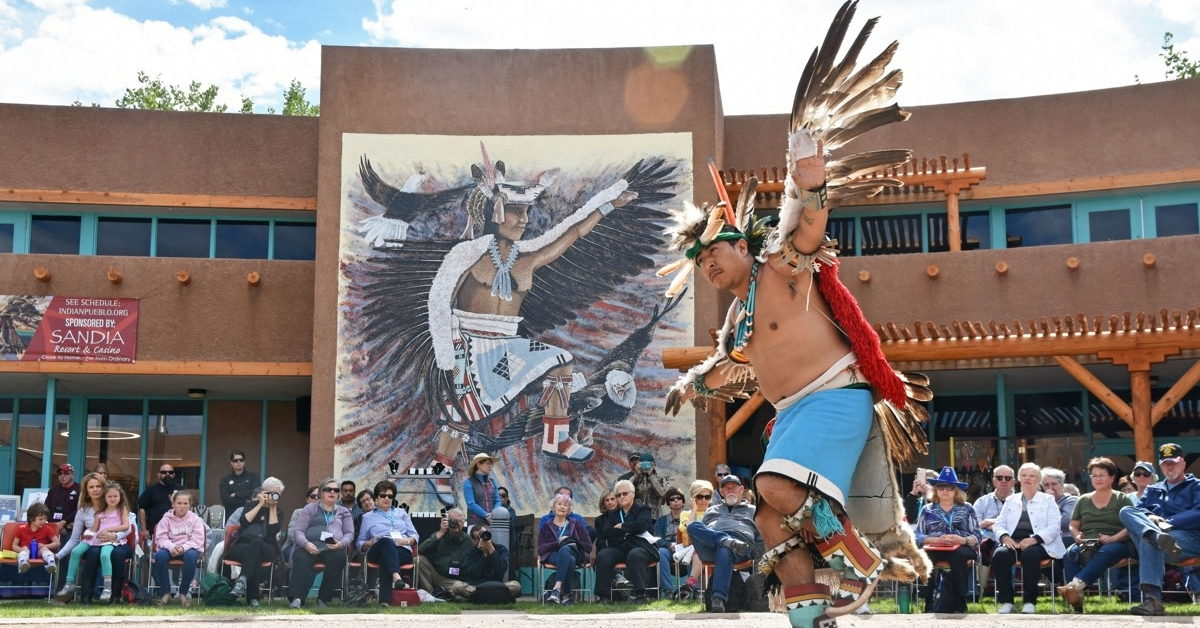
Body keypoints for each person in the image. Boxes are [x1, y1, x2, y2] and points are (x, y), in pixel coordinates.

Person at [1118, 443, 1200, 616]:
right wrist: (1150, 517)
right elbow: (1139, 510)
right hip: (1161, 540)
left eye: (1174, 462)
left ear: (1183, 464)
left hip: (1189, 539)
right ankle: (1154, 535)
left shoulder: (1196, 486)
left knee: (1149, 540)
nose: (1170, 466)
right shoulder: (1153, 489)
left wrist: (1168, 523)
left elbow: (1198, 513)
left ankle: (1152, 601)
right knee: (1127, 511)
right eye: (1165, 463)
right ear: (1161, 466)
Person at [1056, 457, 1137, 612]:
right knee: (1070, 554)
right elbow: (1073, 525)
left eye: (1102, 475)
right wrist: (1076, 536)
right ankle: (1076, 603)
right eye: (1094, 475)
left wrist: (1114, 538)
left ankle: (1075, 586)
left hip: (1118, 542)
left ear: (1112, 477)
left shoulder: (1122, 499)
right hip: (1087, 541)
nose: (1098, 478)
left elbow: (1131, 525)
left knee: (1106, 551)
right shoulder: (1083, 500)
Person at [991, 462, 1066, 614]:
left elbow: (1054, 526)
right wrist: (1005, 537)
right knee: (1000, 555)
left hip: (1040, 543)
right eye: (1024, 475)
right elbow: (999, 523)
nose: (1027, 479)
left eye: (1032, 476)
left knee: (1030, 555)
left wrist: (1033, 540)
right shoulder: (1011, 500)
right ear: (1019, 479)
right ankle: (1007, 601)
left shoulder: (1048, 500)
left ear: (1038, 480)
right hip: (1014, 542)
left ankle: (1029, 602)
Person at [686, 475, 762, 613]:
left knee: (725, 549)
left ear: (741, 490)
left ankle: (718, 599)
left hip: (741, 546)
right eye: (727, 488)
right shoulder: (711, 510)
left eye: (734, 487)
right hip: (712, 546)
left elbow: (761, 536)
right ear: (721, 492)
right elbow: (701, 533)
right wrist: (721, 539)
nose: (730, 490)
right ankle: (724, 540)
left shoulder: (753, 510)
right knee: (692, 526)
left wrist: (759, 559)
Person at [914, 467, 980, 614]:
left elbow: (977, 535)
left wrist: (961, 540)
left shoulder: (967, 508)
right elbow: (917, 535)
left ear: (956, 490)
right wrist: (935, 540)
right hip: (935, 547)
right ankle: (929, 602)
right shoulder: (927, 509)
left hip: (961, 547)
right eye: (941, 487)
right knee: (925, 557)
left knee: (958, 556)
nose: (945, 490)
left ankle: (960, 601)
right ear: (936, 490)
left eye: (949, 487)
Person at [289, 477, 353, 609]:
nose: (332, 492)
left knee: (339, 557)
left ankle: (323, 598)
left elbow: (349, 534)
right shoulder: (310, 508)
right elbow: (299, 531)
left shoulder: (343, 511)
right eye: (328, 489)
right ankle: (298, 599)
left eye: (335, 490)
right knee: (300, 557)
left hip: (332, 548)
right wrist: (306, 544)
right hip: (309, 547)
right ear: (322, 493)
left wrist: (340, 544)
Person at [356, 480, 418, 607]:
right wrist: (369, 542)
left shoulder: (402, 513)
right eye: (383, 495)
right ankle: (397, 577)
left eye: (390, 496)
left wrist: (406, 541)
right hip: (377, 549)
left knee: (387, 557)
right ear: (377, 497)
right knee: (385, 542)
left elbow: (415, 535)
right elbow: (360, 542)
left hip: (402, 549)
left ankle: (385, 601)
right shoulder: (367, 517)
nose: (386, 498)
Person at [594, 479, 657, 603]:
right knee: (603, 556)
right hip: (621, 548)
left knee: (635, 555)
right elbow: (608, 533)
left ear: (633, 494)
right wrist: (630, 531)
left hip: (641, 547)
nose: (621, 497)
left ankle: (640, 595)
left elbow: (642, 526)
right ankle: (604, 596)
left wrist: (622, 527)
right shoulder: (613, 514)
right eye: (618, 495)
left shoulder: (643, 510)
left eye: (625, 493)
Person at [226, 477, 284, 607]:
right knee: (254, 555)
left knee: (256, 544)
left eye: (277, 495)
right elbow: (244, 522)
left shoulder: (278, 512)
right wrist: (259, 504)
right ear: (263, 492)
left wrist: (273, 508)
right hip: (242, 545)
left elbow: (272, 531)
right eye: (271, 493)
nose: (274, 497)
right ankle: (253, 599)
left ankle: (242, 580)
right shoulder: (250, 505)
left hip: (266, 546)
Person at [54, 472, 106, 601]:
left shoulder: (112, 505)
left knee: (94, 553)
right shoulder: (83, 511)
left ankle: (98, 593)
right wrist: (58, 555)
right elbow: (74, 539)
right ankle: (74, 587)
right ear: (86, 491)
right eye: (91, 487)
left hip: (110, 542)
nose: (95, 490)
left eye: (98, 486)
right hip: (91, 543)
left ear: (103, 488)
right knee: (85, 552)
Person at [152, 489, 206, 606]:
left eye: (185, 503)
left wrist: (183, 547)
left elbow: (197, 539)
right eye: (179, 503)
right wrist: (172, 547)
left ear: (190, 505)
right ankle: (166, 593)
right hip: (170, 548)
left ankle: (183, 593)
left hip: (188, 549)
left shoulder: (196, 520)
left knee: (192, 556)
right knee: (160, 555)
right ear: (173, 504)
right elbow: (160, 538)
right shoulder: (165, 519)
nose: (182, 506)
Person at [537, 493, 592, 605]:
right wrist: (557, 543)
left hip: (574, 553)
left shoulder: (576, 524)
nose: (562, 507)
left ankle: (556, 589)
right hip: (553, 555)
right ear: (553, 507)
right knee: (568, 559)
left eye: (566, 505)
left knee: (566, 550)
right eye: (559, 504)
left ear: (569, 509)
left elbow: (588, 546)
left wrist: (572, 540)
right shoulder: (547, 526)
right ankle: (567, 596)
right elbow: (541, 548)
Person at [972, 464, 1015, 593]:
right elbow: (973, 524)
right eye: (999, 478)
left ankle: (1008, 591)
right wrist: (991, 525)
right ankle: (980, 588)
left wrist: (991, 523)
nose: (1003, 481)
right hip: (987, 540)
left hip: (1012, 540)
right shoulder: (982, 502)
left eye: (1007, 478)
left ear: (1013, 481)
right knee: (983, 546)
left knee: (1006, 550)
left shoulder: (1021, 501)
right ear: (993, 480)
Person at [451, 524, 521, 600]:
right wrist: (484, 555)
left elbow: (502, 569)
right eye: (479, 537)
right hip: (476, 587)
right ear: (474, 541)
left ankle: (477, 598)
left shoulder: (501, 549)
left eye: (485, 534)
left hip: (496, 586)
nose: (483, 538)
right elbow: (475, 573)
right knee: (457, 586)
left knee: (516, 585)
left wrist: (491, 550)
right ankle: (498, 597)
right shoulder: (471, 553)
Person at [87, 482, 132, 602]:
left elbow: (128, 529)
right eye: (109, 496)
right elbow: (94, 529)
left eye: (115, 496)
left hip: (121, 542)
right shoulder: (100, 512)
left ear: (120, 496)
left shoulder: (123, 510)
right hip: (100, 540)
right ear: (105, 498)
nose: (112, 499)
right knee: (92, 553)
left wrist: (114, 536)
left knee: (117, 555)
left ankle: (115, 595)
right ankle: (87, 595)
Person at [415, 506, 470, 600]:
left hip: (454, 581)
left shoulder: (468, 540)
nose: (455, 524)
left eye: (459, 521)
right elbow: (420, 550)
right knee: (418, 559)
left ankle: (447, 594)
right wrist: (441, 532)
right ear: (447, 521)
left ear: (463, 522)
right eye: (452, 521)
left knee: (459, 587)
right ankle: (431, 594)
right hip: (436, 575)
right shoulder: (440, 536)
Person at [675, 480, 714, 598]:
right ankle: (695, 586)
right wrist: (694, 510)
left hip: (710, 546)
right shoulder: (686, 514)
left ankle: (693, 583)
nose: (703, 500)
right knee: (698, 550)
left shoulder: (713, 512)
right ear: (693, 498)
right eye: (700, 496)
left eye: (707, 497)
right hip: (692, 548)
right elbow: (683, 528)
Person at [654, 487, 686, 597]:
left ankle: (694, 589)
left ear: (683, 502)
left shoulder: (690, 518)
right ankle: (668, 591)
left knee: (695, 552)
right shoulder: (661, 520)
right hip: (669, 549)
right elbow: (657, 539)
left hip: (686, 548)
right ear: (668, 503)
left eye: (679, 498)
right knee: (661, 552)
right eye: (672, 499)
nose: (676, 501)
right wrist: (669, 545)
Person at [14, 502, 59, 575]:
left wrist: (45, 546)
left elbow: (57, 543)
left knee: (44, 549)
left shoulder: (47, 529)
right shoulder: (21, 529)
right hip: (26, 552)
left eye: (45, 519)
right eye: (40, 519)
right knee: (25, 550)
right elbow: (14, 545)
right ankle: (22, 563)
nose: (44, 521)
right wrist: (21, 549)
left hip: (39, 553)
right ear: (32, 518)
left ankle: (51, 563)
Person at [137, 463, 179, 537]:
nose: (167, 474)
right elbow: (142, 509)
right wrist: (144, 529)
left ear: (174, 475)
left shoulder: (180, 489)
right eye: (164, 472)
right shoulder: (151, 490)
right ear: (158, 475)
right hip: (154, 531)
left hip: (177, 530)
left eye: (170, 472)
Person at [45, 463, 80, 547]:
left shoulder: (80, 489)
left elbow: (81, 508)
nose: (62, 476)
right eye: (60, 474)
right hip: (53, 527)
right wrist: (56, 525)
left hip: (70, 527)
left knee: (67, 552)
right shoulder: (53, 491)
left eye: (66, 473)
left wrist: (64, 522)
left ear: (72, 474)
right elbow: (46, 509)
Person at [1042, 466, 1078, 547]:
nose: (1050, 487)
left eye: (1054, 484)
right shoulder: (1040, 502)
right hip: (1045, 538)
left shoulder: (1071, 500)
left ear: (1062, 485)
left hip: (1065, 537)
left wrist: (1052, 501)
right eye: (1046, 485)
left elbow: (1065, 522)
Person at [464, 452, 501, 527]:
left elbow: (497, 500)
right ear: (479, 465)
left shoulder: (493, 482)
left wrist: (494, 514)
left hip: (492, 523)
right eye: (487, 463)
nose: (490, 466)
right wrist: (486, 515)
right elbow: (471, 504)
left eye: (490, 464)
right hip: (475, 524)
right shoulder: (468, 482)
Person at [219, 450, 260, 515]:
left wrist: (236, 495)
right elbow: (226, 500)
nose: (238, 462)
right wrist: (246, 501)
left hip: (250, 515)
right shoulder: (225, 480)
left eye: (241, 460)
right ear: (231, 463)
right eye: (235, 460)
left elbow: (255, 494)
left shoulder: (254, 477)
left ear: (244, 462)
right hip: (231, 515)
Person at [631, 452, 668, 519]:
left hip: (654, 516)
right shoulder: (636, 478)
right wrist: (637, 474)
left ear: (653, 464)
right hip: (638, 515)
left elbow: (662, 493)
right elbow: (627, 489)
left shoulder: (659, 479)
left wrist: (651, 476)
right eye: (643, 464)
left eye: (647, 464)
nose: (645, 466)